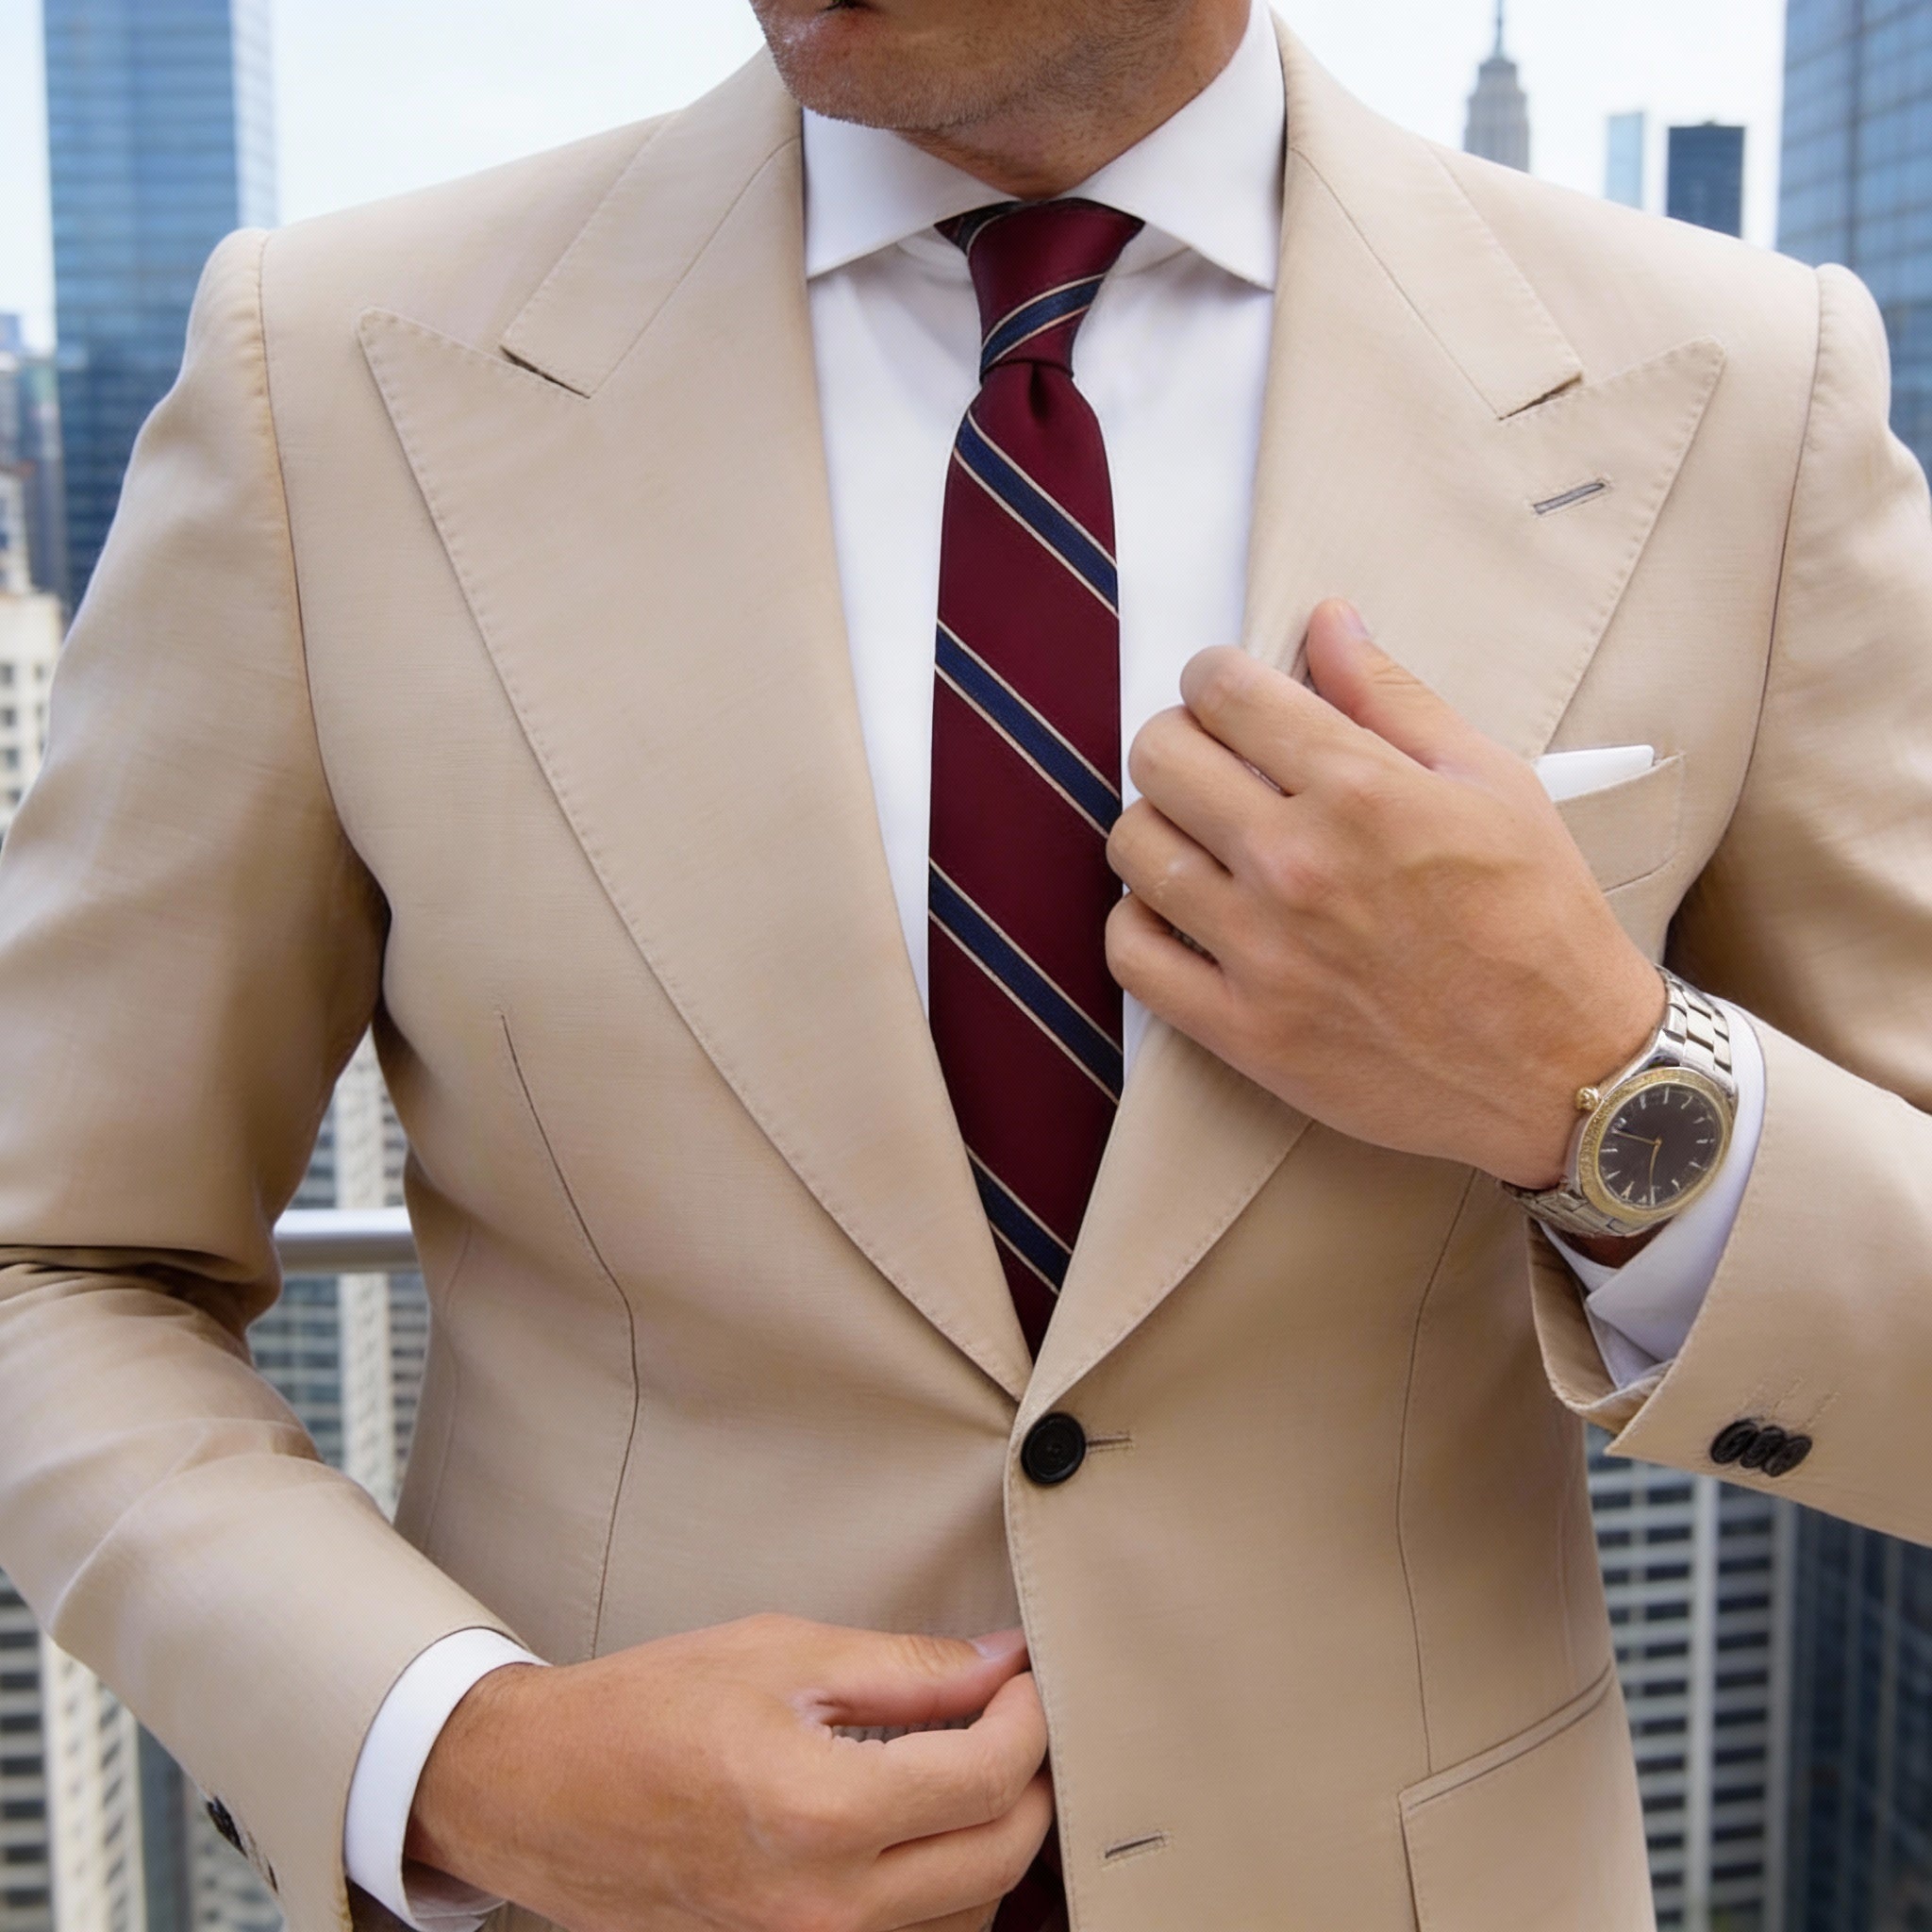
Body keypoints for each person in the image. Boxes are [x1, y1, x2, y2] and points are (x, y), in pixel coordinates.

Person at [1, 0, 1928, 1924]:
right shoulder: (329, 374)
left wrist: (1597, 1080)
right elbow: (52, 1255)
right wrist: (460, 1755)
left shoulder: (1738, 394)